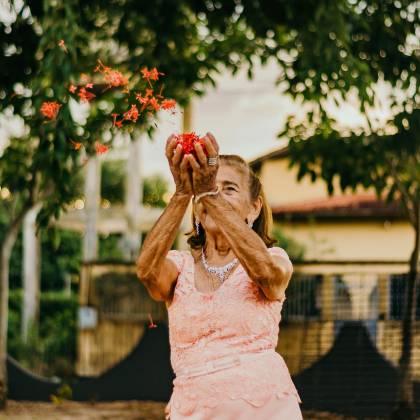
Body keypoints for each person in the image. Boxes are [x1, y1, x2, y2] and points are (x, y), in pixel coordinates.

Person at [137, 132, 303, 419]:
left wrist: (208, 194)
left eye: (229, 189)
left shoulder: (275, 259)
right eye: (211, 188)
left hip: (265, 410)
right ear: (197, 211)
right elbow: (147, 272)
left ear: (254, 208)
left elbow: (264, 273)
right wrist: (182, 192)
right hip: (194, 410)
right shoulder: (181, 266)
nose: (215, 195)